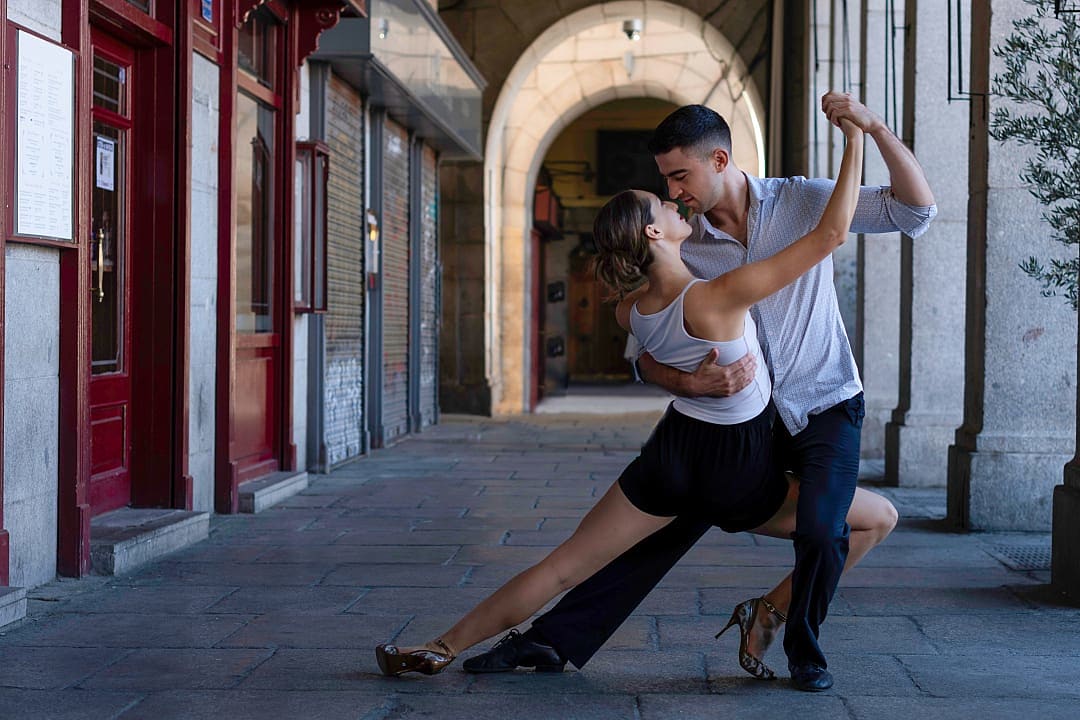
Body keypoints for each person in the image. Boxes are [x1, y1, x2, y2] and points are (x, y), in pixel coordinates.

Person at [375, 118, 892, 687]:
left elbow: (644, 356)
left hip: (670, 455)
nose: (676, 205)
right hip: (736, 470)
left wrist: (687, 383)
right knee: (876, 519)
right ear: (653, 235)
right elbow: (830, 236)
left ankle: (438, 646)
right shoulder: (722, 295)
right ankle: (770, 611)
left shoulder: (631, 312)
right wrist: (855, 139)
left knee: (563, 565)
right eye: (664, 207)